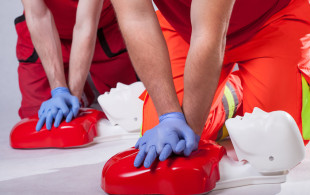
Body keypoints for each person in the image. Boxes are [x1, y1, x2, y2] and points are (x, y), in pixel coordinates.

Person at [110, 0, 310, 168]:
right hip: (185, 28)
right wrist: (169, 116)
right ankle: (234, 92)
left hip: (274, 19)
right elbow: (136, 20)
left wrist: (192, 136)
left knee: (276, 144)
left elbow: (209, 33)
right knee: (167, 149)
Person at [16, 0, 137, 131]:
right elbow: (38, 16)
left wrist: (74, 97)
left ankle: (82, 86)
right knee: (37, 122)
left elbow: (85, 25)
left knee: (131, 110)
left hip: (101, 27)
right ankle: (85, 88)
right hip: (45, 32)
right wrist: (59, 90)